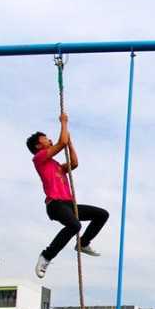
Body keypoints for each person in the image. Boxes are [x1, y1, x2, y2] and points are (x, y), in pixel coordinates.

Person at [27, 113, 109, 279]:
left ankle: (83, 243)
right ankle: (46, 256)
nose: (49, 139)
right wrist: (64, 123)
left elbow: (75, 163)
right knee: (75, 225)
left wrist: (70, 143)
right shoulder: (39, 158)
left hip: (69, 204)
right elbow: (61, 142)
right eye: (45, 138)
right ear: (38, 146)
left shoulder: (56, 165)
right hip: (55, 204)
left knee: (102, 214)